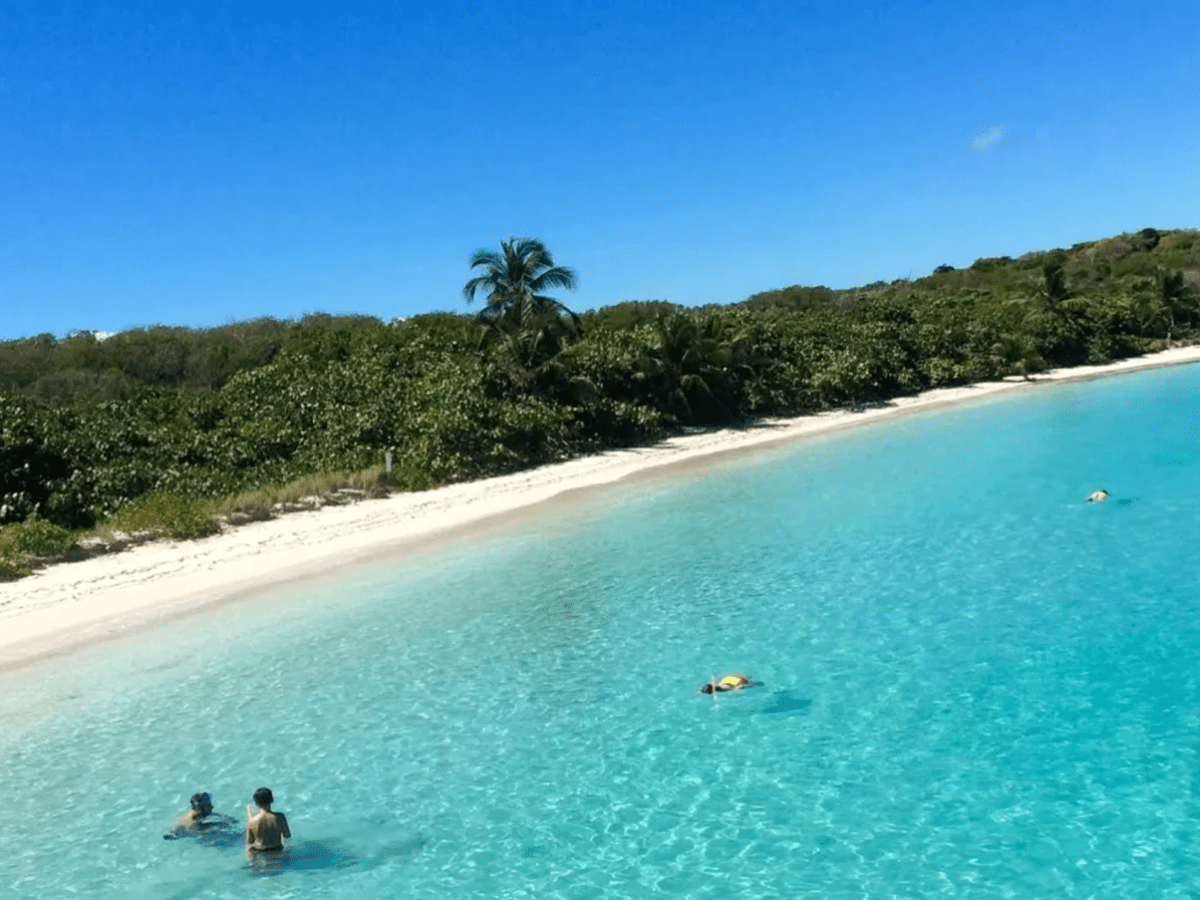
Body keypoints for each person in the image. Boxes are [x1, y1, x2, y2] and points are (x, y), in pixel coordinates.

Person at [166, 792, 234, 838]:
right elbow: (198, 832)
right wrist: (218, 825)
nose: (212, 807)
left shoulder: (195, 811)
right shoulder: (193, 823)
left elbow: (208, 814)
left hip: (178, 828)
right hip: (186, 833)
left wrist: (223, 818)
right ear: (200, 809)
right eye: (209, 805)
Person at [246, 787, 291, 853]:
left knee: (248, 850)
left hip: (260, 853)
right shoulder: (280, 817)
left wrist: (249, 814)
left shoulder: (252, 821)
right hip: (277, 850)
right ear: (272, 800)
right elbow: (287, 835)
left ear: (256, 803)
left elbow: (250, 841)